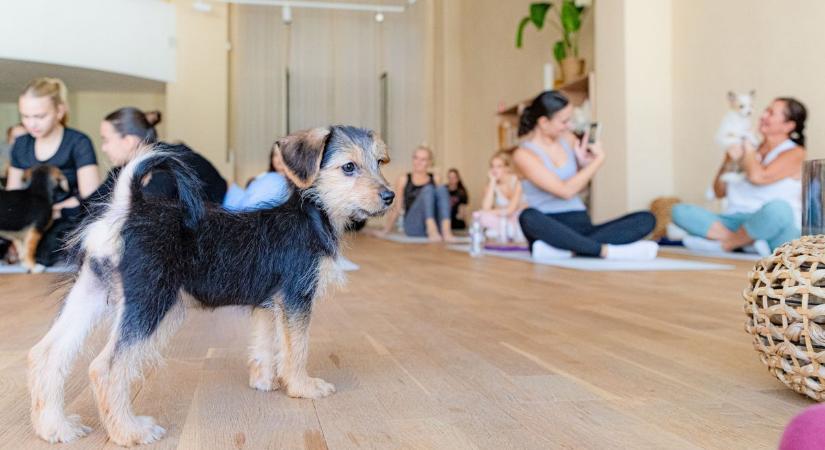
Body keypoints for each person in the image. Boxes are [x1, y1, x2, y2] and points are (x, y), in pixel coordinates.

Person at [513, 90, 657, 260]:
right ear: (544, 122)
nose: (570, 126)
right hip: (550, 225)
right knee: (527, 216)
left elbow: (578, 189)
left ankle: (569, 249)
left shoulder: (568, 139)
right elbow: (564, 191)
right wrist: (597, 162)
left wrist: (584, 166)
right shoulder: (523, 154)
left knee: (646, 219)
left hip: (580, 222)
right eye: (564, 121)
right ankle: (605, 251)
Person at [671, 97, 806, 256]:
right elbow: (719, 191)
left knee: (780, 209)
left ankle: (726, 245)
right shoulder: (748, 148)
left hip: (772, 224)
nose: (763, 116)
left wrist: (748, 148)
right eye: (765, 110)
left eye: (771, 113)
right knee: (679, 211)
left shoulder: (796, 153)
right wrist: (728, 160)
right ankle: (747, 242)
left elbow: (758, 177)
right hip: (735, 221)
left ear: (788, 125)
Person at [7, 78, 100, 266]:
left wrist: (48, 212)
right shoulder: (21, 144)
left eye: (39, 117)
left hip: (66, 217)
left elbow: (90, 197)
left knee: (46, 253)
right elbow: (12, 195)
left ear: (59, 111)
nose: (31, 124)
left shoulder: (78, 142)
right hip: (30, 219)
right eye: (25, 116)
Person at [87, 107, 226, 215]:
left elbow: (137, 214)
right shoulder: (123, 169)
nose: (103, 148)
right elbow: (90, 204)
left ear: (129, 141)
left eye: (106, 140)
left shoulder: (169, 166)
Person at [378, 145, 456, 242]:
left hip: (436, 225)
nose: (418, 162)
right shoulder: (404, 179)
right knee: (428, 189)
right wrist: (386, 230)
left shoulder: (436, 178)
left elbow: (441, 203)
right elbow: (397, 207)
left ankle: (446, 231)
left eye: (423, 159)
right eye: (416, 158)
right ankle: (431, 229)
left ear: (429, 162)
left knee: (442, 189)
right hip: (414, 225)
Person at [474, 151, 526, 243]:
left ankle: (506, 231)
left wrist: (490, 211)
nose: (495, 170)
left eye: (499, 166)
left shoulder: (517, 180)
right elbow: (486, 207)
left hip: (520, 216)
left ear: (507, 168)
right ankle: (506, 231)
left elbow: (511, 209)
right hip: (505, 218)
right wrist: (492, 182)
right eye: (492, 166)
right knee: (481, 216)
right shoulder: (492, 185)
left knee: (520, 216)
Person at [223, 145, 290, 212]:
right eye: (275, 155)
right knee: (228, 182)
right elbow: (250, 189)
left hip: (243, 209)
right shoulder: (267, 176)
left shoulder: (281, 181)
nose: (279, 160)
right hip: (240, 201)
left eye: (282, 155)